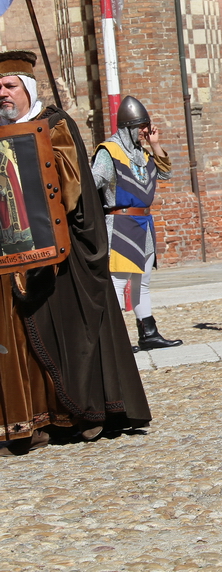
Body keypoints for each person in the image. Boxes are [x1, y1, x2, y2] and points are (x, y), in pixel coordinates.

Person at [0, 51, 150, 455]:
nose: (2, 93)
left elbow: (69, 184)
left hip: (58, 250)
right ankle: (31, 423)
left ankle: (83, 413)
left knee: (70, 331)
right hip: (10, 254)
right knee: (15, 343)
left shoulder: (55, 126)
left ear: (27, 88)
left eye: (9, 85)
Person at [92, 96, 182, 351]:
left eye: (147, 125)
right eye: (142, 126)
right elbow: (92, 181)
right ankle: (115, 340)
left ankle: (149, 333)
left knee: (141, 281)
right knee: (118, 282)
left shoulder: (143, 153)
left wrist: (155, 144)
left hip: (143, 222)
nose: (145, 131)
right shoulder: (108, 151)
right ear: (128, 126)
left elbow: (165, 173)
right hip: (119, 224)